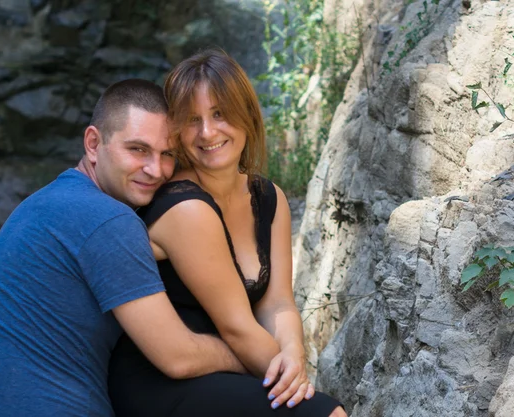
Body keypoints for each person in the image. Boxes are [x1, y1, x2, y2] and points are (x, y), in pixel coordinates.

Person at [108, 50, 346, 416]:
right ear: (176, 132)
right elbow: (236, 329)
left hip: (232, 370)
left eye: (219, 113)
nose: (207, 132)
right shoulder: (186, 208)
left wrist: (294, 352)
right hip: (162, 384)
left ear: (247, 115)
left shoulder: (269, 198)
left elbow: (278, 303)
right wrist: (296, 382)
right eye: (192, 119)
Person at [0, 79, 248, 417]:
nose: (155, 170)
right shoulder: (108, 219)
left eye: (167, 154)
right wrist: (246, 357)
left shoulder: (40, 204)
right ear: (93, 143)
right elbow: (178, 356)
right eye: (138, 149)